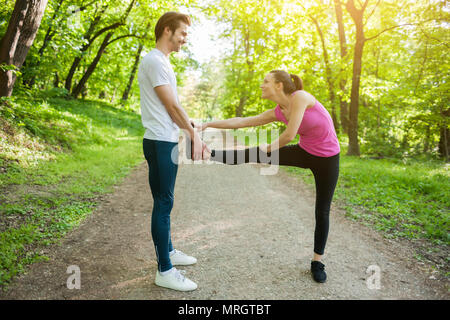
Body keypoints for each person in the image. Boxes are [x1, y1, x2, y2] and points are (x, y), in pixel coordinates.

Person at [200, 70, 340, 283]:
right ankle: (210, 155)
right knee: (255, 152)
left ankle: (317, 262)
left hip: (328, 158)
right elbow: (242, 121)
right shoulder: (278, 111)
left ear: (279, 85)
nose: (261, 85)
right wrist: (208, 124)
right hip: (305, 152)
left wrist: (270, 148)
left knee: (322, 210)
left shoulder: (300, 97)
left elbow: (289, 134)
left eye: (265, 82)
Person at [137, 11, 208, 292]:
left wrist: (190, 126)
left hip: (163, 139)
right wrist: (193, 135)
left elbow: (176, 107)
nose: (184, 40)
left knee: (165, 199)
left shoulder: (162, 62)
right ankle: (164, 269)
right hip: (160, 141)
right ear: (167, 30)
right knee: (163, 203)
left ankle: (168, 250)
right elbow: (171, 107)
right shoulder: (154, 61)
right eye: (182, 34)